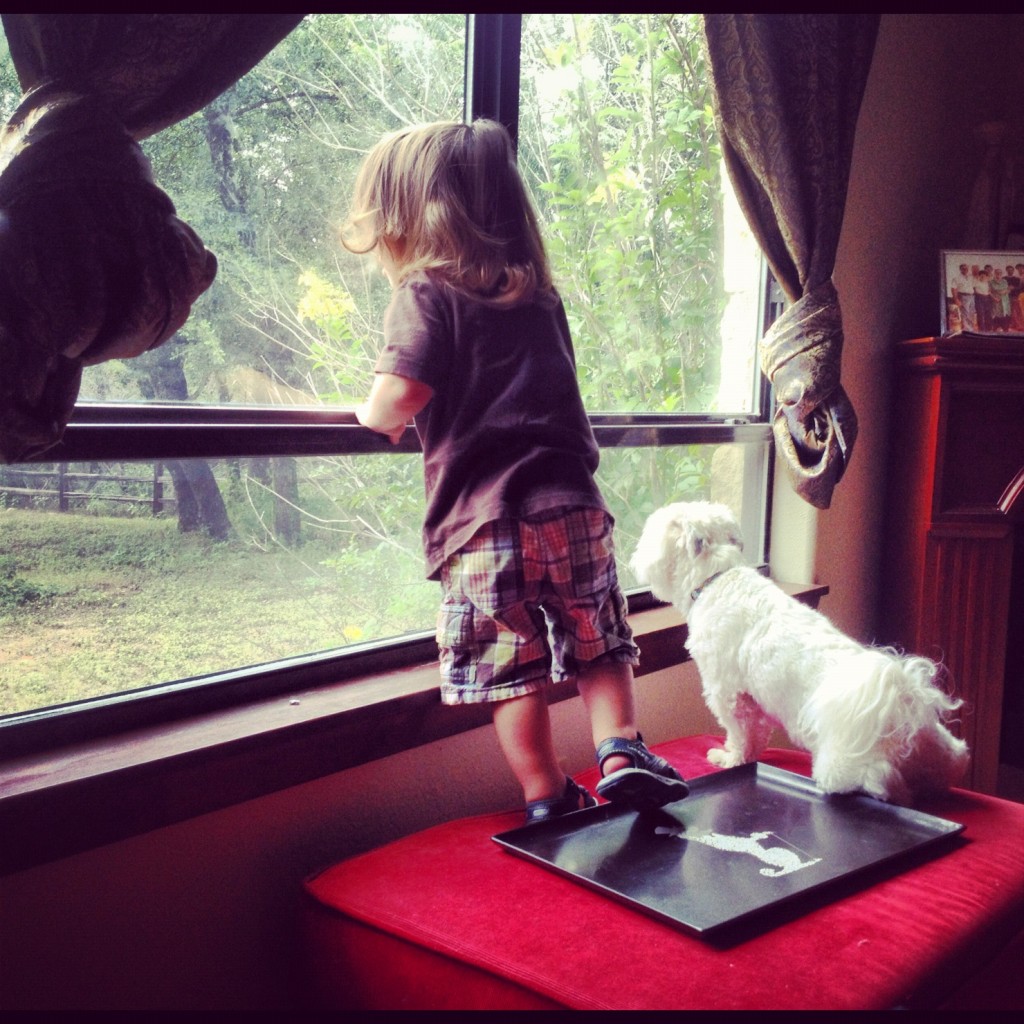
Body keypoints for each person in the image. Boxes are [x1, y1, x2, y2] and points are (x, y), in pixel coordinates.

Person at [342, 119, 689, 823]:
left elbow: (398, 399)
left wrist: (366, 412)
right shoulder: (538, 297)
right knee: (599, 638)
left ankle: (545, 793)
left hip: (484, 523)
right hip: (572, 504)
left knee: (510, 666)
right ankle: (621, 750)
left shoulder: (425, 293)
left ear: (409, 217)